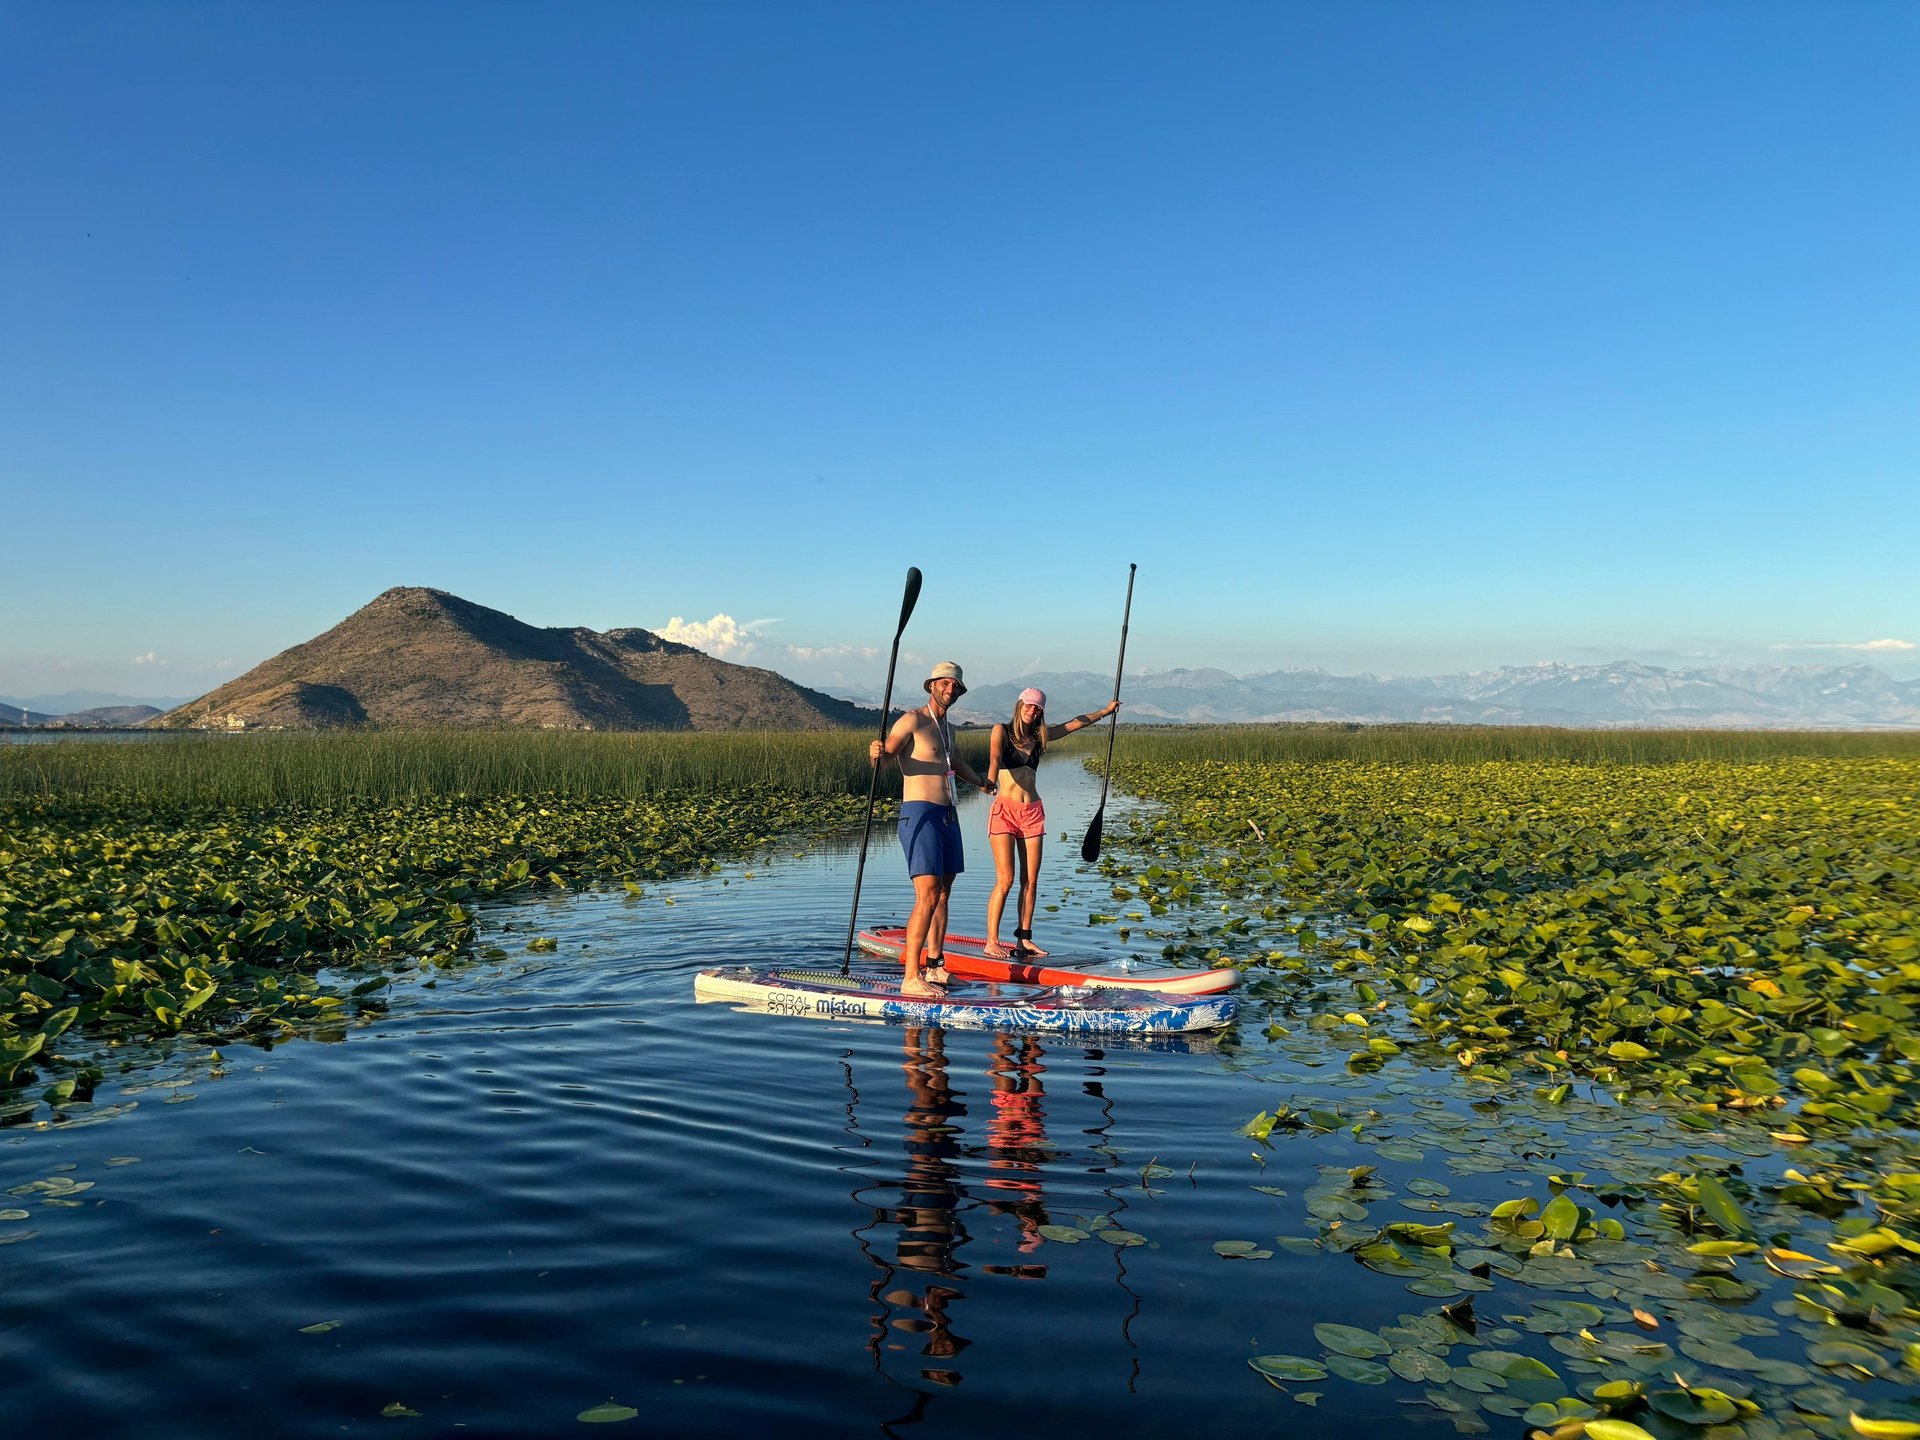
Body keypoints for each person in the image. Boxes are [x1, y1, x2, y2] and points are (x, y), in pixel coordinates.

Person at [870, 661, 993, 997]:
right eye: (944, 683)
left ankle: (936, 966)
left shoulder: (949, 730)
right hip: (919, 812)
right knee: (927, 895)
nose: (949, 690)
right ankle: (911, 975)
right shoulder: (912, 720)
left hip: (948, 814)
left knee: (943, 894)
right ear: (932, 685)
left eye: (955, 686)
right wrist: (876, 754)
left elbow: (957, 764)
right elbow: (886, 759)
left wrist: (981, 782)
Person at [983, 687, 1118, 958]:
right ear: (1020, 705)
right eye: (1029, 706)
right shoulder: (1001, 730)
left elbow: (1075, 724)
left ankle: (1024, 939)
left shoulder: (1040, 737)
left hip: (1032, 812)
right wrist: (989, 780)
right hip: (1005, 811)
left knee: (1030, 881)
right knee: (1006, 879)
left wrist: (1105, 712)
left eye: (1038, 709)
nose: (1032, 711)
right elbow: (995, 758)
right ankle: (992, 941)